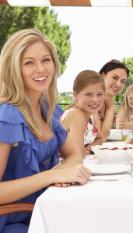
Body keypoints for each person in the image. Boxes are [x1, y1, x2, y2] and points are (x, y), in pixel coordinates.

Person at [0, 29, 91, 233]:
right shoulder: (6, 115)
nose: (40, 69)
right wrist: (51, 177)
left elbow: (76, 155)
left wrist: (59, 173)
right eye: (28, 62)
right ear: (13, 69)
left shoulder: (47, 109)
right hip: (16, 221)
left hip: (46, 210)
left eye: (46, 60)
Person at [61, 70, 105, 155]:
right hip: (66, 166)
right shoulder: (75, 115)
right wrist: (82, 151)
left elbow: (100, 139)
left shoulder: (91, 116)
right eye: (89, 94)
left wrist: (90, 147)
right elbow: (77, 155)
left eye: (99, 94)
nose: (95, 100)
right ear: (75, 95)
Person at [95, 59, 129, 138]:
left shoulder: (106, 100)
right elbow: (101, 136)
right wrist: (111, 107)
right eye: (114, 77)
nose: (118, 84)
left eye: (123, 81)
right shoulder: (93, 100)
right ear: (103, 76)